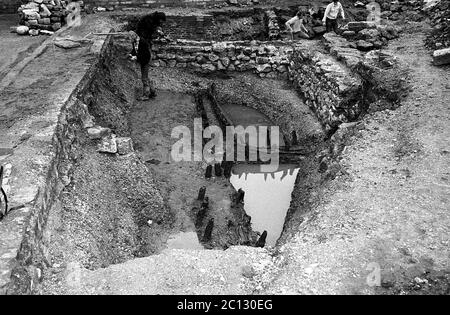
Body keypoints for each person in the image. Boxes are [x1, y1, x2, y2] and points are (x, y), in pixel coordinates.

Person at [135, 12, 166, 100]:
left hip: (146, 57)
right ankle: (152, 92)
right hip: (147, 54)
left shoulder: (142, 41)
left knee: (144, 77)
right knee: (146, 75)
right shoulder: (148, 21)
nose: (161, 23)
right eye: (160, 21)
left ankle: (146, 95)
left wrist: (136, 58)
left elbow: (142, 55)